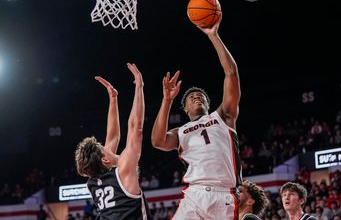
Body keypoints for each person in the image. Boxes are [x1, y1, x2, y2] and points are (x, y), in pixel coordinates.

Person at [151, 13, 242, 220]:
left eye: (201, 96)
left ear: (209, 104)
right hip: (194, 194)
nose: (197, 97)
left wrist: (213, 36)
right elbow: (157, 141)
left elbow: (231, 74)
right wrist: (167, 100)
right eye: (192, 97)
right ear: (185, 108)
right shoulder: (180, 132)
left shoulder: (223, 117)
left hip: (224, 196)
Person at [75, 63, 150, 220]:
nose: (107, 145)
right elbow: (136, 127)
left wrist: (113, 99)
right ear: (105, 159)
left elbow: (113, 136)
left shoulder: (93, 182)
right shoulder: (123, 171)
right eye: (104, 148)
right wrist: (139, 86)